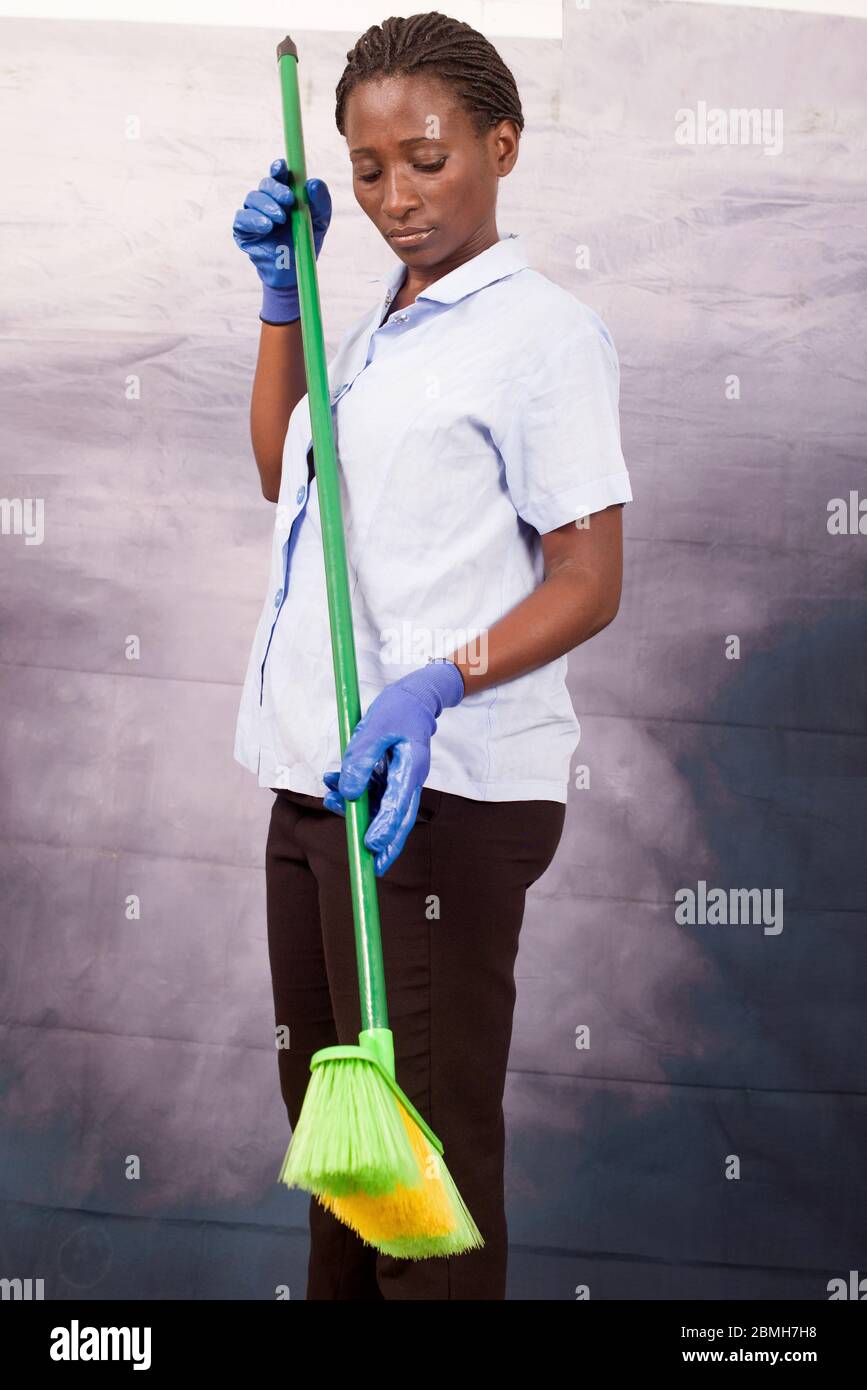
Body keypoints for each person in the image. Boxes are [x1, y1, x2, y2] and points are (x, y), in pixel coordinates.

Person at [231, 11, 632, 1300]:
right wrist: (285, 305)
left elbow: (589, 577)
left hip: (434, 800)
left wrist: (434, 681)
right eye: (366, 168)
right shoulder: (378, 334)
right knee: (350, 1179)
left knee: (423, 1195)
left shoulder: (542, 335)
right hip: (316, 786)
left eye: (427, 158)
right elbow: (282, 477)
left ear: (502, 147)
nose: (395, 196)